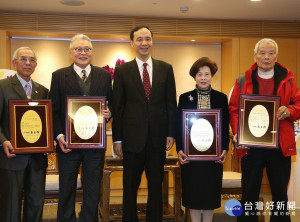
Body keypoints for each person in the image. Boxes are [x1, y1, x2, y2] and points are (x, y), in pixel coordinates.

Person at [229, 38, 300, 222]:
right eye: (262, 53)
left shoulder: (289, 79)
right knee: (249, 194)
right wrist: (237, 132)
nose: (266, 57)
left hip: (279, 146)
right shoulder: (243, 79)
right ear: (255, 56)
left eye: (270, 53)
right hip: (251, 146)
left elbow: (298, 105)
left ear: (276, 56)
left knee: (280, 197)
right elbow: (234, 109)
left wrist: (289, 110)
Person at [112, 24, 177, 221]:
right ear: (132, 43)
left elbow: (170, 104)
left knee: (156, 187)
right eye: (139, 39)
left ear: (152, 41)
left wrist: (171, 133)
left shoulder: (166, 69)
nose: (144, 43)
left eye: (147, 39)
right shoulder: (122, 70)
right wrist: (118, 140)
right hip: (132, 140)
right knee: (129, 187)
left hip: (157, 139)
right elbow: (118, 107)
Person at [49, 34, 112, 222]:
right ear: (70, 52)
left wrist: (109, 113)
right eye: (78, 49)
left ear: (92, 52)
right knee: (67, 188)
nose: (83, 53)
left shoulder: (104, 75)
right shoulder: (59, 75)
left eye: (86, 49)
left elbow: (112, 103)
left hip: (95, 145)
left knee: (93, 189)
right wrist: (59, 135)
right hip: (67, 144)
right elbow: (54, 109)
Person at [175, 57, 229, 222]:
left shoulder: (221, 98)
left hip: (213, 157)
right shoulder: (185, 98)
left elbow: (224, 125)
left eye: (207, 74)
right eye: (200, 74)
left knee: (209, 196)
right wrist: (180, 150)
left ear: (213, 76)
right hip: (191, 157)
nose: (203, 78)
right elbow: (179, 126)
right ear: (194, 76)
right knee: (193, 194)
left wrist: (224, 149)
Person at [0, 47, 49, 222]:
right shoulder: (2, 87)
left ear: (36, 64)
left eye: (31, 60)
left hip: (37, 160)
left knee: (35, 204)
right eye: (23, 59)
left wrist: (48, 141)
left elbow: (46, 122)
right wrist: (3, 141)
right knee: (11, 207)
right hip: (12, 158)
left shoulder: (42, 91)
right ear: (14, 63)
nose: (28, 63)